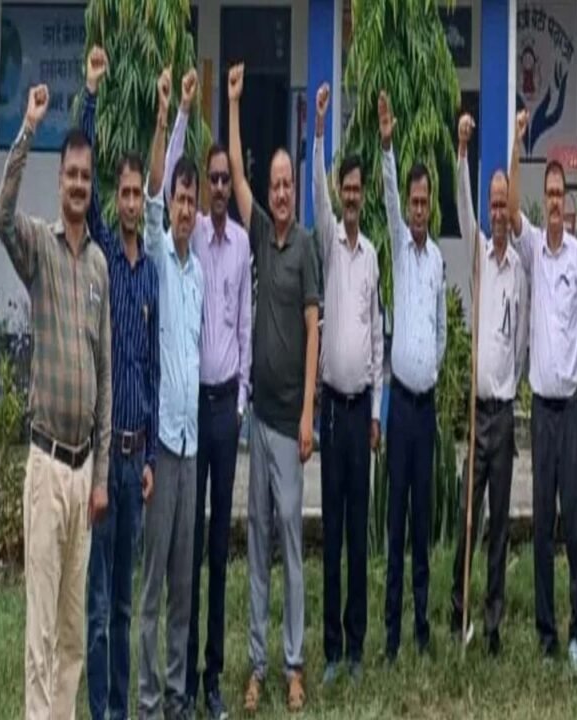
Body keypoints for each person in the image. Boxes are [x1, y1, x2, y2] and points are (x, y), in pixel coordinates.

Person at [0, 83, 111, 720]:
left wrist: (101, 476)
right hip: (44, 468)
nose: (78, 185)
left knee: (70, 634)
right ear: (59, 179)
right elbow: (0, 218)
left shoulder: (98, 268)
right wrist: (28, 128)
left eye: (85, 177)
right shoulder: (38, 246)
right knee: (39, 633)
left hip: (82, 471)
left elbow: (106, 375)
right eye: (71, 175)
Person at [228, 63, 320, 713]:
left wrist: (310, 412)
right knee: (258, 541)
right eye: (276, 185)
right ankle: (258, 665)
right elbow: (235, 173)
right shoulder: (260, 233)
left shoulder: (307, 246)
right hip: (257, 418)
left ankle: (293, 663)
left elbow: (314, 329)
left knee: (290, 540)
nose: (282, 193)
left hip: (291, 423)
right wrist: (233, 104)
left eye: (288, 186)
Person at [164, 67, 252, 720]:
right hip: (190, 414)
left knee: (219, 550)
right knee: (187, 552)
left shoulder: (242, 244)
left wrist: (242, 403)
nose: (217, 189)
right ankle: (182, 678)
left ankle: (212, 678)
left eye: (223, 180)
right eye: (210, 181)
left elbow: (244, 328)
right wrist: (183, 112)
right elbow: (170, 183)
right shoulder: (188, 239)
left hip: (226, 413)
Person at [80, 46, 160, 720]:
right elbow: (86, 188)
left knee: (127, 603)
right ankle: (103, 711)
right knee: (100, 604)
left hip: (138, 464)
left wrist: (152, 455)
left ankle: (122, 712)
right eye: (126, 193)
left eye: (139, 194)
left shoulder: (150, 272)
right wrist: (91, 93)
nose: (132, 202)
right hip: (105, 461)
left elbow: (152, 370)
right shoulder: (106, 253)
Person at [508, 109, 577, 671]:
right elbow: (511, 204)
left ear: (568, 200)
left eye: (562, 194)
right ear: (544, 201)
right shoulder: (534, 247)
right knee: (542, 526)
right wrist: (518, 142)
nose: (556, 202)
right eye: (551, 194)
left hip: (572, 406)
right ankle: (545, 634)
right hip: (541, 409)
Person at [138, 67, 205, 720]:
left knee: (185, 583)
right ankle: (150, 698)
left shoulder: (199, 274)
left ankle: (180, 696)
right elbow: (152, 200)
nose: (183, 210)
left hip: (191, 447)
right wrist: (171, 114)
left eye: (191, 202)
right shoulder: (159, 255)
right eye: (180, 200)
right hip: (160, 445)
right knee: (154, 584)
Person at [449, 112, 528, 656]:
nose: (497, 213)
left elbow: (519, 342)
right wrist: (462, 151)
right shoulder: (479, 253)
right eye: (493, 205)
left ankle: (494, 620)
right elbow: (462, 205)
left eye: (503, 204)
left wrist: (510, 386)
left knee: (499, 522)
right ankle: (459, 610)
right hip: (477, 415)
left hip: (504, 413)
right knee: (467, 516)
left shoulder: (518, 268)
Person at [313, 82, 384, 683]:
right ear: (340, 192)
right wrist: (318, 130)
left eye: (359, 189)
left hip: (362, 411)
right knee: (332, 533)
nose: (353, 196)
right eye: (347, 189)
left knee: (358, 534)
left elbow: (377, 336)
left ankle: (357, 647)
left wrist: (378, 411)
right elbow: (314, 191)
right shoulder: (331, 243)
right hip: (331, 409)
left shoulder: (373, 256)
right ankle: (332, 649)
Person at [377, 90, 448, 662]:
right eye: (414, 202)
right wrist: (387, 145)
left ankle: (422, 627)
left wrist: (435, 367)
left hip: (427, 411)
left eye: (424, 203)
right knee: (396, 525)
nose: (418, 210)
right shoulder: (401, 246)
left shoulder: (439, 260)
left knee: (422, 524)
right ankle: (392, 633)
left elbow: (443, 328)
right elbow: (388, 193)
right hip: (399, 409)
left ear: (433, 207)